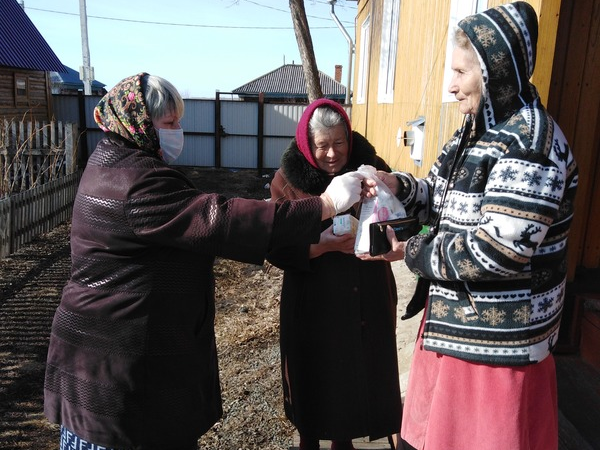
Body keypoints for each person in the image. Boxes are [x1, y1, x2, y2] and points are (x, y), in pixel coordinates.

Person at [43, 73, 365, 450]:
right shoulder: (135, 181)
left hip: (106, 357)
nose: (178, 130)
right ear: (139, 125)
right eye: (169, 123)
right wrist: (324, 205)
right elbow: (218, 220)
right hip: (117, 373)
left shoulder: (111, 164)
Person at [360, 3, 578, 450]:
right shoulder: (473, 130)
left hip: (498, 351)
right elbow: (434, 194)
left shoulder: (530, 143)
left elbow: (497, 251)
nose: (451, 85)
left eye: (460, 72)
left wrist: (412, 252)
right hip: (456, 330)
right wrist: (394, 184)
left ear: (495, 72)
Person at [267, 98, 402, 450]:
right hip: (314, 292)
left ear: (350, 137)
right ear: (307, 145)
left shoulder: (371, 167)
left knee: (358, 369)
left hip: (366, 287)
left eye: (339, 143)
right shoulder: (288, 180)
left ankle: (346, 439)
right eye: (322, 145)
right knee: (312, 369)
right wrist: (321, 245)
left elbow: (397, 217)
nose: (331, 154)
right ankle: (308, 438)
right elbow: (277, 246)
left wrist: (381, 196)